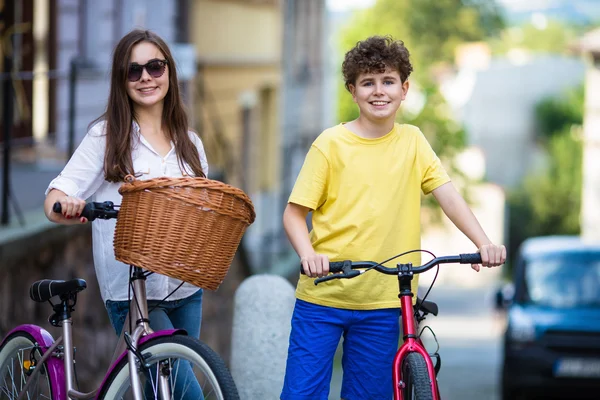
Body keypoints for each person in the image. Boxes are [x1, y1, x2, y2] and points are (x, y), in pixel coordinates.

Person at [280, 35, 507, 400]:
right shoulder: (330, 145)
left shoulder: (413, 142)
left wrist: (482, 243)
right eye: (367, 83)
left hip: (385, 302)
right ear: (352, 92)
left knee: (369, 395)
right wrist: (308, 254)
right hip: (324, 297)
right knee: (301, 394)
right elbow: (293, 215)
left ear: (404, 89)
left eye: (387, 82)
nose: (378, 91)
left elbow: (448, 195)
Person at [44, 29, 206, 397]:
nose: (146, 77)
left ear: (169, 72)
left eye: (155, 66)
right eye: (134, 71)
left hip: (186, 284)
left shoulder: (190, 143)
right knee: (187, 392)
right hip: (132, 289)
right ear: (122, 79)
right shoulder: (106, 138)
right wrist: (68, 204)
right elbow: (54, 198)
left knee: (160, 391)